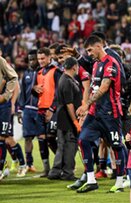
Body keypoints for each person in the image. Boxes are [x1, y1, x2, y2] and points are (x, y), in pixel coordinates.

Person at [74, 35, 125, 193]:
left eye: (90, 50)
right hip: (95, 113)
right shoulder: (96, 65)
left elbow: (104, 87)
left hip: (111, 113)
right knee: (83, 140)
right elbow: (94, 88)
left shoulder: (111, 62)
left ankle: (120, 181)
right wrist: (87, 107)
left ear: (98, 46)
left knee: (116, 145)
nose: (89, 53)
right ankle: (90, 179)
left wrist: (85, 104)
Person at [48, 57, 82, 180]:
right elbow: (69, 104)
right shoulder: (67, 81)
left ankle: (55, 172)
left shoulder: (65, 79)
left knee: (62, 145)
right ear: (74, 67)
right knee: (70, 145)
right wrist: (75, 121)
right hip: (67, 118)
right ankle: (68, 173)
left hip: (62, 117)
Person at [32, 47, 62, 177]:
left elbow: (60, 92)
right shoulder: (38, 72)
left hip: (53, 110)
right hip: (40, 109)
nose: (40, 61)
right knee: (42, 139)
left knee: (51, 138)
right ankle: (46, 169)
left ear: (50, 57)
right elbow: (34, 92)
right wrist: (34, 88)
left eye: (43, 58)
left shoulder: (56, 72)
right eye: (39, 59)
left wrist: (52, 109)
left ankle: (62, 165)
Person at [0, 53, 26, 179]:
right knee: (6, 139)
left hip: (5, 107)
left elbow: (16, 87)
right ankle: (7, 164)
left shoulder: (7, 72)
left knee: (7, 138)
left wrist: (13, 104)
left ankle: (22, 164)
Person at [18, 50, 40, 173]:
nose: (32, 62)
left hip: (40, 110)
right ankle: (29, 164)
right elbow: (22, 94)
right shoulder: (26, 74)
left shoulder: (43, 73)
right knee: (27, 138)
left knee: (45, 138)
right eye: (30, 59)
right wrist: (20, 110)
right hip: (28, 110)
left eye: (34, 59)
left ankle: (48, 165)